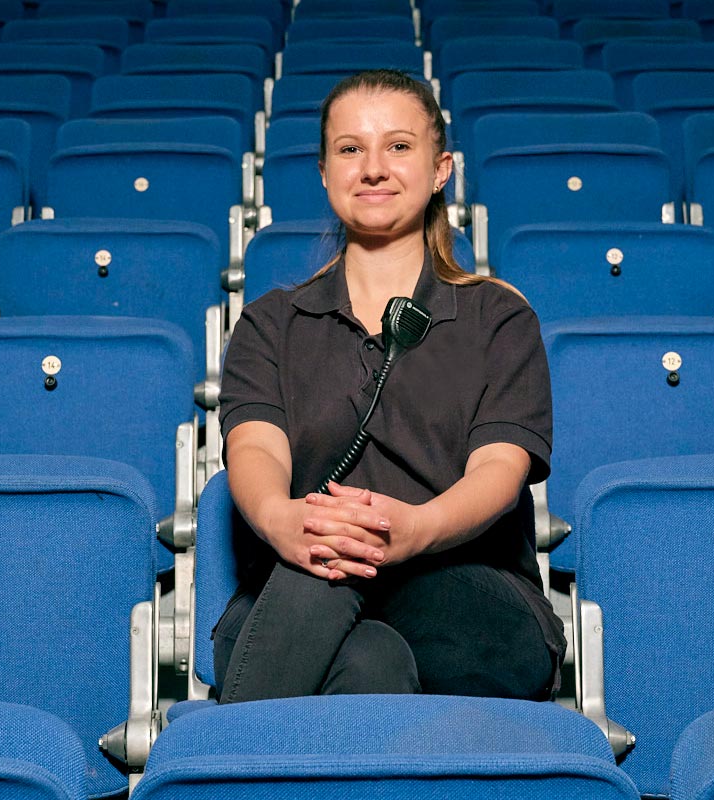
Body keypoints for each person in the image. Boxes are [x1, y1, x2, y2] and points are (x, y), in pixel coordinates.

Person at [214, 69, 562, 703]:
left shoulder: (498, 317)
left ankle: (219, 765)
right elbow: (256, 449)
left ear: (441, 170)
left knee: (343, 558)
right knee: (360, 642)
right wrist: (280, 519)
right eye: (351, 149)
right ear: (324, 172)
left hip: (467, 596)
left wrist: (413, 529)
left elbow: (499, 469)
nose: (373, 168)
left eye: (399, 146)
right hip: (303, 591)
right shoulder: (271, 322)